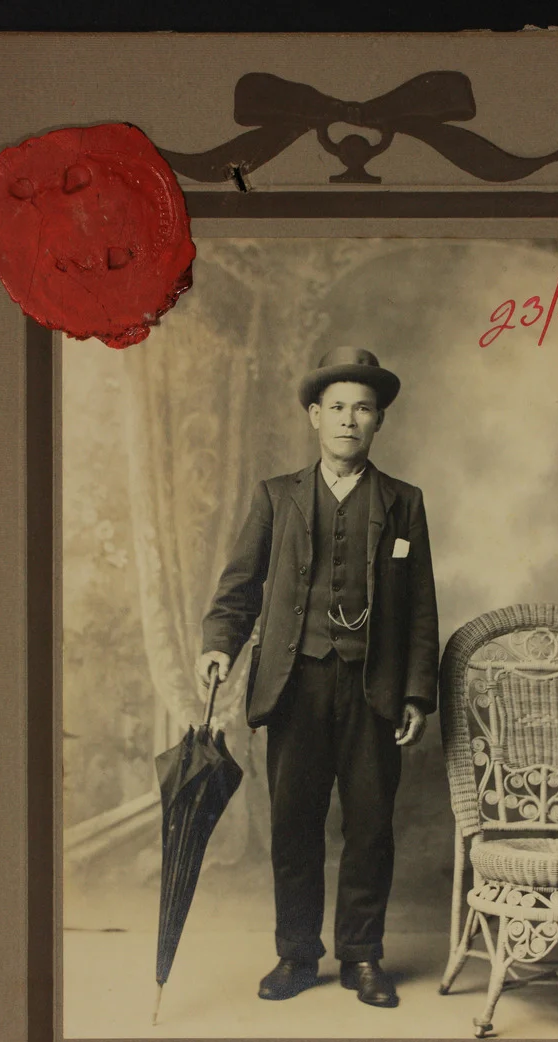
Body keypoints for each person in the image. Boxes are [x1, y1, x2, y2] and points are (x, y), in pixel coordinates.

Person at [197, 347, 439, 1008]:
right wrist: (219, 644)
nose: (349, 419)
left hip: (374, 690)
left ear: (379, 421)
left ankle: (363, 958)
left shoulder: (403, 504)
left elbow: (420, 605)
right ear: (314, 415)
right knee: (295, 827)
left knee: (369, 827)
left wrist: (418, 692)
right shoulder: (276, 498)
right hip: (295, 685)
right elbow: (239, 587)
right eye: (337, 407)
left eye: (363, 408)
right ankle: (298, 955)